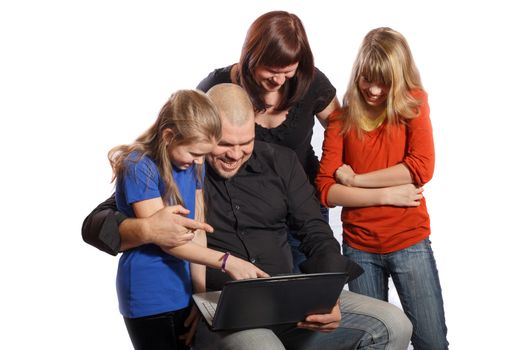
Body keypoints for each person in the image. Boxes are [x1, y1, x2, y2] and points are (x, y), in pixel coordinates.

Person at [83, 83, 413, 350]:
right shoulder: (179, 167)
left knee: (394, 325)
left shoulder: (281, 163)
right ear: (208, 133)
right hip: (225, 308)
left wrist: (327, 295)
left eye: (246, 143)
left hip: (289, 299)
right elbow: (96, 223)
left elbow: (315, 231)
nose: (236, 153)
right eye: (224, 144)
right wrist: (145, 229)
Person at [316, 28, 448, 349]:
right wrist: (385, 194)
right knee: (371, 340)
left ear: (399, 78)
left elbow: (421, 167)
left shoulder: (414, 104)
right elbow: (326, 190)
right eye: (366, 79)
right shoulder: (342, 120)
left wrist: (357, 179)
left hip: (409, 242)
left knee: (431, 341)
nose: (374, 90)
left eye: (384, 82)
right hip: (360, 247)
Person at [108, 89, 266, 350]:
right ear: (169, 136)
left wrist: (200, 296)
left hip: (181, 289)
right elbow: (166, 239)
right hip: (149, 293)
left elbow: (199, 232)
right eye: (194, 154)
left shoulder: (195, 165)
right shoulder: (139, 166)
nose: (200, 161)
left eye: (204, 154)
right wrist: (227, 261)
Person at [197, 10, 339, 271]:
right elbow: (188, 139)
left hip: (304, 202)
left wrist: (335, 178)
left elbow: (340, 130)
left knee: (310, 288)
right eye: (271, 71)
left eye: (288, 71)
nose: (278, 80)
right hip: (249, 208)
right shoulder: (216, 86)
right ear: (251, 57)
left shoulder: (311, 82)